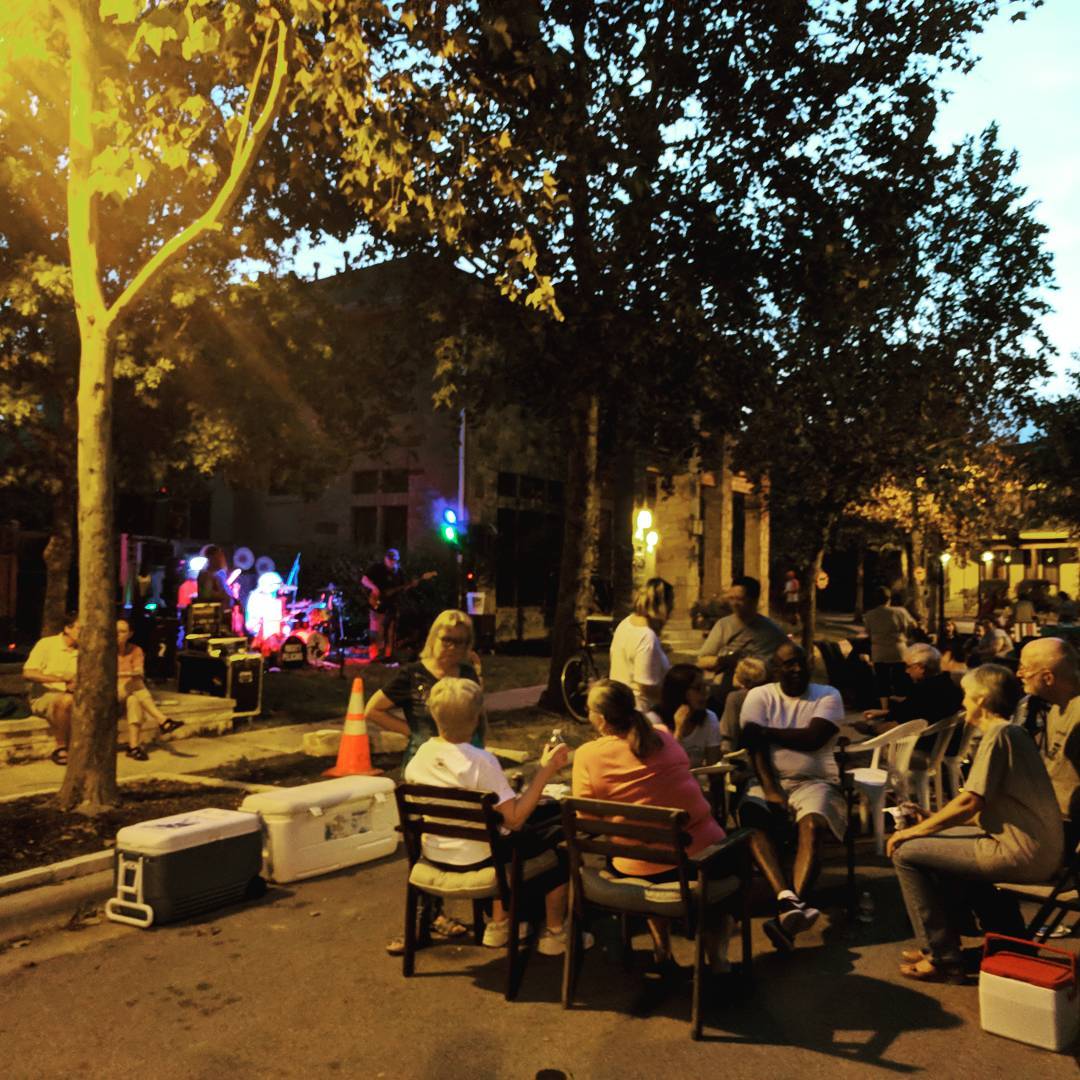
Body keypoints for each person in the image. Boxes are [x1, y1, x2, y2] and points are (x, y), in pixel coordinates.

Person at [888, 664, 1064, 982]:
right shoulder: (1011, 733)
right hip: (1029, 845)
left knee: (906, 852)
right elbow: (981, 805)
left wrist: (915, 830)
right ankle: (978, 942)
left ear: (981, 699)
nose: (963, 703)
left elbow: (971, 801)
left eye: (967, 696)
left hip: (1020, 850)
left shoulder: (1000, 734)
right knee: (936, 846)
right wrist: (932, 821)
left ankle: (941, 955)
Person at [404, 677, 590, 955]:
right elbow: (514, 819)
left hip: (434, 854)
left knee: (513, 837)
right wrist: (546, 771)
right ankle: (554, 933)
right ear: (478, 717)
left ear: (433, 714)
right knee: (558, 854)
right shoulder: (481, 762)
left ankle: (501, 924)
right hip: (480, 859)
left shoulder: (419, 757)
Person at [573, 679, 728, 970]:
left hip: (637, 866)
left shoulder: (587, 756)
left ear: (602, 719)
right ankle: (716, 956)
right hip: (701, 860)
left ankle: (661, 947)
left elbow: (587, 821)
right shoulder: (663, 735)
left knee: (648, 854)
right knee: (728, 859)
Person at [738, 641, 846, 952]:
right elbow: (752, 747)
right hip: (767, 781)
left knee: (812, 825)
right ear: (775, 669)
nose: (796, 669)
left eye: (801, 662)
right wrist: (771, 788)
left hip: (816, 781)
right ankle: (788, 900)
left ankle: (789, 911)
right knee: (752, 821)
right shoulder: (759, 696)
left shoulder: (828, 694)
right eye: (788, 664)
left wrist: (767, 732)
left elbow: (814, 738)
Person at [367, 609, 483, 770]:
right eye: (447, 640)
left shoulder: (467, 673)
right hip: (426, 763)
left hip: (467, 762)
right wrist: (413, 732)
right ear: (433, 638)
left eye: (459, 642)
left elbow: (478, 717)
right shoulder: (412, 674)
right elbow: (373, 710)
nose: (452, 647)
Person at [1018, 638, 1080, 830]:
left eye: (1025, 668)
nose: (1019, 673)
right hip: (1044, 815)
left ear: (1048, 678)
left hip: (1064, 826)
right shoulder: (1055, 708)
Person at [859, 643, 963, 739]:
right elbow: (910, 710)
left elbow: (897, 725)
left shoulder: (924, 692)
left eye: (908, 666)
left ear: (921, 667)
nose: (906, 671)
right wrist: (883, 712)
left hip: (925, 745)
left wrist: (868, 729)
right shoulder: (949, 685)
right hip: (947, 741)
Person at [116, 618, 183, 761]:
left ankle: (133, 746)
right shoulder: (106, 651)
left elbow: (139, 672)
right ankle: (162, 720)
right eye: (116, 631)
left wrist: (128, 675)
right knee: (136, 685)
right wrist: (128, 674)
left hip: (129, 692)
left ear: (130, 634)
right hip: (111, 694)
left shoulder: (135, 650)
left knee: (135, 700)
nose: (118, 635)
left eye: (122, 631)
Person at [608, 578, 673, 712]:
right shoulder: (646, 636)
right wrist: (675, 699)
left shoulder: (625, 624)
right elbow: (645, 686)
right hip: (641, 712)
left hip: (619, 703)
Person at [23, 613, 79, 765]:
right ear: (68, 628)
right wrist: (61, 679)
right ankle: (61, 747)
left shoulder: (83, 651)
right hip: (45, 696)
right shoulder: (47, 644)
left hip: (74, 695)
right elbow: (28, 672)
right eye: (80, 629)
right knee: (66, 701)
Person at [649, 663, 722, 768]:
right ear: (679, 691)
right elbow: (665, 767)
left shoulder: (709, 718)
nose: (704, 693)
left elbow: (713, 766)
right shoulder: (654, 721)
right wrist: (679, 730)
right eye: (698, 688)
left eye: (705, 687)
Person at [862, 586, 918, 711]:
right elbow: (913, 625)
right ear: (889, 599)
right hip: (899, 650)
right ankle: (901, 708)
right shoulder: (900, 611)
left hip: (879, 651)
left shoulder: (869, 615)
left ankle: (884, 709)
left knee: (882, 680)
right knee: (900, 678)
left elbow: (868, 632)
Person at [362, 548, 406, 661]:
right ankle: (374, 654)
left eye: (394, 560)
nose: (392, 562)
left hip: (391, 605)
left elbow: (402, 587)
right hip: (377, 603)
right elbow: (364, 579)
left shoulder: (399, 572)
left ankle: (388, 654)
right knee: (376, 629)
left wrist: (408, 586)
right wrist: (374, 588)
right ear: (385, 558)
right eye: (390, 559)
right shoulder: (377, 568)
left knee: (391, 630)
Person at [719, 656, 769, 754]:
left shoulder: (735, 697)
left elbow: (728, 731)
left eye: (736, 672)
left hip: (741, 752)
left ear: (742, 677)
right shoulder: (768, 694)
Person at [196, 545, 232, 613]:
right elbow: (206, 596)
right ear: (212, 558)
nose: (223, 559)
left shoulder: (219, 575)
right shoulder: (206, 575)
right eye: (220, 556)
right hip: (211, 617)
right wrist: (223, 595)